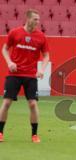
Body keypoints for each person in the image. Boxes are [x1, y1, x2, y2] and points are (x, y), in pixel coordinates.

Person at [0, 9, 50, 143]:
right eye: (35, 19)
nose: (38, 22)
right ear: (28, 19)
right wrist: (9, 62)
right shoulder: (15, 33)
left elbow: (46, 56)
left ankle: (34, 135)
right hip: (14, 74)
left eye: (38, 20)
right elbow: (4, 49)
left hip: (30, 76)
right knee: (6, 103)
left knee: (33, 104)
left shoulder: (41, 36)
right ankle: (0, 132)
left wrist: (42, 69)